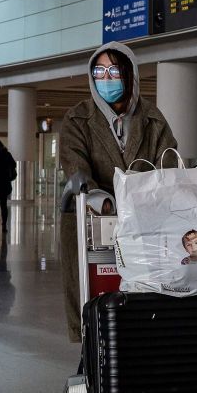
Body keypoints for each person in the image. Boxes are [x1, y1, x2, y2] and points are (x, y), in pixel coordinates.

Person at [57, 42, 178, 343]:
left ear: (130, 74)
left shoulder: (153, 120)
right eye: (99, 71)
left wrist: (144, 197)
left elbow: (168, 163)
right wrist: (100, 197)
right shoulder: (78, 118)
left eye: (114, 70)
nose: (106, 78)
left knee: (143, 307)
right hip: (93, 218)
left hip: (145, 222)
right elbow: (75, 165)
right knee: (95, 304)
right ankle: (93, 363)